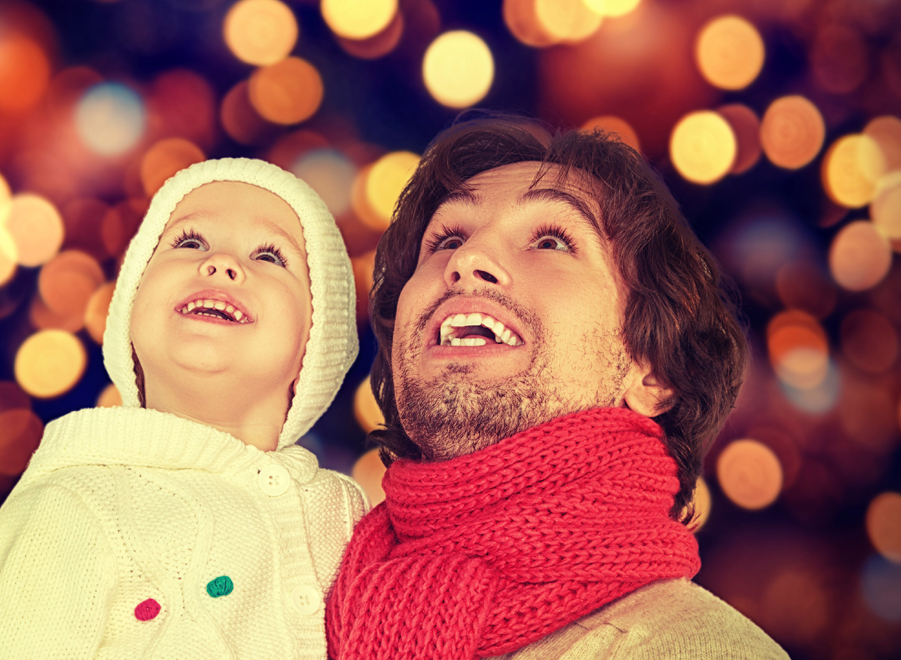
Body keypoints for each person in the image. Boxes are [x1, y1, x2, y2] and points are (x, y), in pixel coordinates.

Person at [325, 118, 789, 660]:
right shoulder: (297, 598)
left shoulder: (698, 651)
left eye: (551, 240)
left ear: (654, 372)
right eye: (447, 239)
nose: (465, 260)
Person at [0, 158, 368, 659]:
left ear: (318, 339)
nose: (220, 263)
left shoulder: (350, 515)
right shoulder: (74, 504)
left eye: (269, 255)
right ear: (130, 308)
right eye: (190, 242)